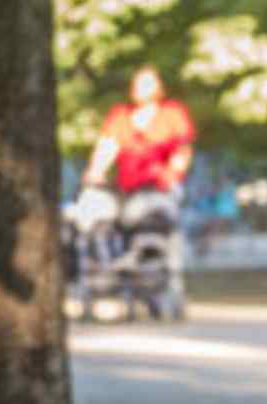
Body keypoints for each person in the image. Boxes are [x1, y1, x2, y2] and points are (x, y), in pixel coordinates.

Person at [84, 66, 195, 308]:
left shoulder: (171, 114)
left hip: (158, 188)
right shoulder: (121, 116)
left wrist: (172, 175)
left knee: (154, 220)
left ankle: (158, 285)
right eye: (138, 83)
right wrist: (96, 171)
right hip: (127, 189)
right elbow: (107, 147)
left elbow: (182, 151)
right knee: (98, 221)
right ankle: (106, 280)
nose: (140, 88)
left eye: (147, 83)